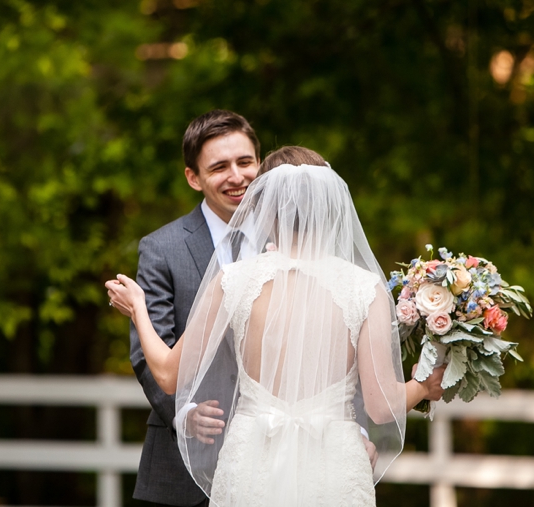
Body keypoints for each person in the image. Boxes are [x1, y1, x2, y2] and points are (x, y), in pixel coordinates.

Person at [112, 146, 445, 506]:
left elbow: (166, 374)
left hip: (251, 461)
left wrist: (138, 309)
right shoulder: (364, 289)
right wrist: (423, 386)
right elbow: (382, 406)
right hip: (332, 465)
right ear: (329, 204)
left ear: (262, 206)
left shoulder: (233, 280)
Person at [128, 110, 261, 507]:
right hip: (182, 471)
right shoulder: (161, 249)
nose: (236, 177)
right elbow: (146, 352)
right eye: (219, 167)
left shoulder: (290, 240)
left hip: (273, 461)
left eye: (245, 162)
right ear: (193, 178)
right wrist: (183, 413)